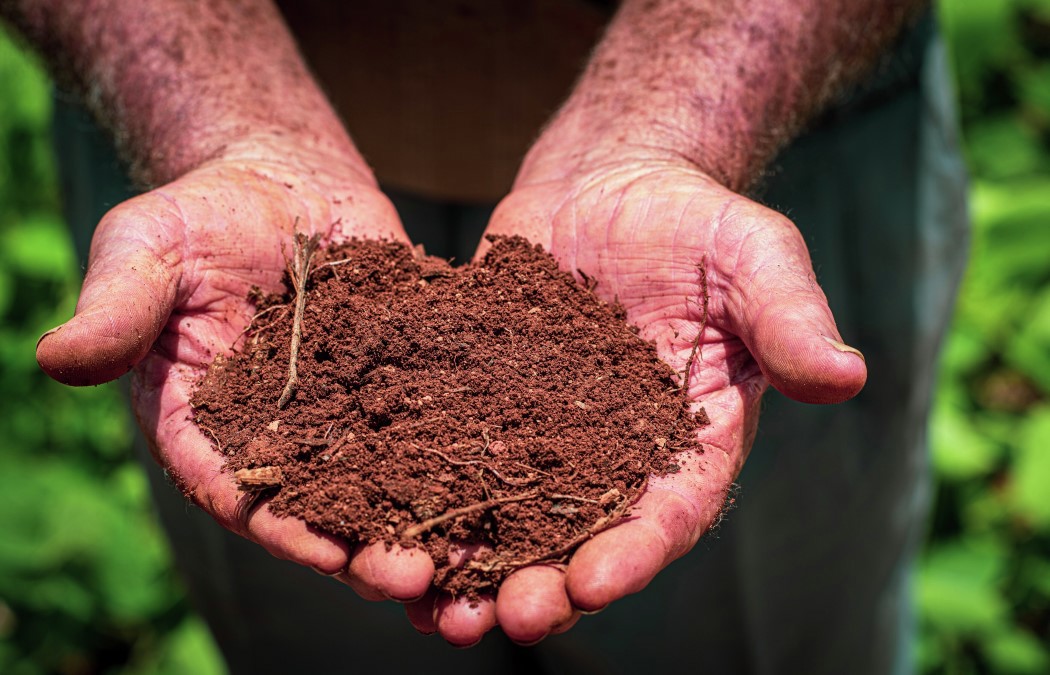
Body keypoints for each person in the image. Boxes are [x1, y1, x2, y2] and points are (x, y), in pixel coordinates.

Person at [1, 0, 968, 672]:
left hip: (760, 113)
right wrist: (224, 136)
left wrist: (668, 132)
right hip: (211, 148)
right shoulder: (268, 326)